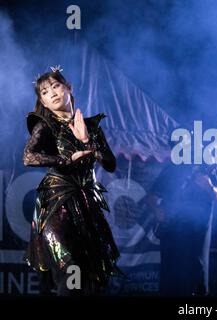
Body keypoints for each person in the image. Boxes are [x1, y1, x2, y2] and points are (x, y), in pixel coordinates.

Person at [23, 66, 121, 295]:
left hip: (87, 205)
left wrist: (88, 142)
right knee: (69, 271)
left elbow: (111, 164)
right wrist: (66, 159)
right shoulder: (45, 125)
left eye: (56, 86)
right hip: (57, 204)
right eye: (45, 92)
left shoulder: (91, 125)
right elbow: (28, 157)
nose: (53, 93)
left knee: (93, 277)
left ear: (68, 88)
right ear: (43, 103)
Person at [152, 162, 217, 296]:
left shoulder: (206, 167)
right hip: (170, 234)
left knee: (195, 275)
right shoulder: (172, 167)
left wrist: (208, 186)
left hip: (197, 235)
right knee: (170, 278)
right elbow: (151, 197)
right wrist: (157, 210)